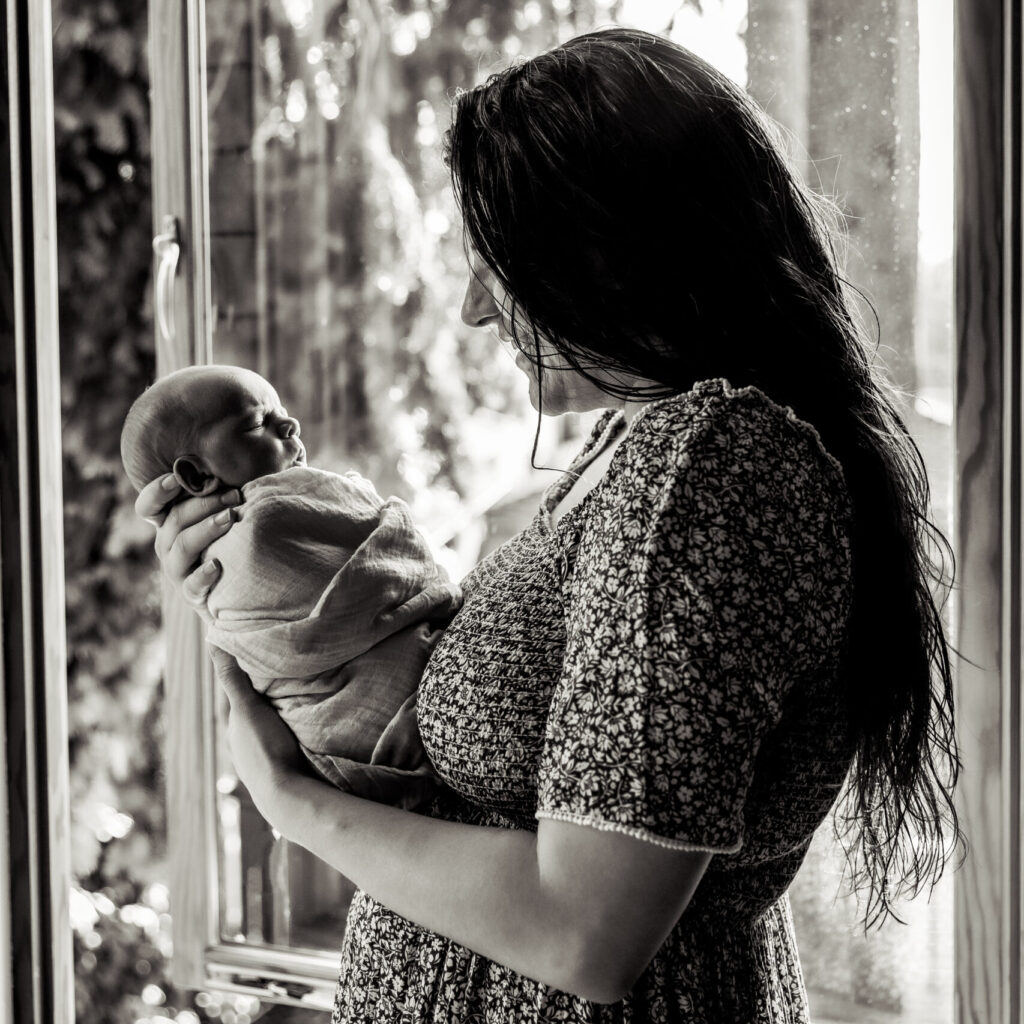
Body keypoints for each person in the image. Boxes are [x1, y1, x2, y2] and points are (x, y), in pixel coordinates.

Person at [135, 27, 963, 1024]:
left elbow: (585, 933)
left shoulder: (708, 471)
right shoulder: (636, 448)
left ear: (613, 251)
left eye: (501, 266)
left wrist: (291, 803)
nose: (478, 311)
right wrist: (260, 598)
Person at [122, 364, 459, 809]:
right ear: (199, 477)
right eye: (258, 422)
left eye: (282, 411)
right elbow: (390, 560)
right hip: (398, 718)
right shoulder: (266, 524)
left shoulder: (229, 549)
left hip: (363, 753)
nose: (291, 425)